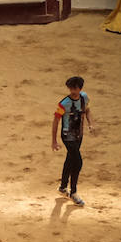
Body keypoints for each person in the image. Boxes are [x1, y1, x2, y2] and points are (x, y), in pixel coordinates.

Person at [51, 76, 93, 206]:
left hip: (78, 135)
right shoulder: (64, 104)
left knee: (70, 160)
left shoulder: (84, 98)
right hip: (67, 136)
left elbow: (87, 111)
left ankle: (63, 187)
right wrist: (54, 141)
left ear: (80, 88)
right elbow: (56, 121)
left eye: (75, 89)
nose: (72, 91)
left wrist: (90, 124)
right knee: (78, 162)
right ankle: (73, 192)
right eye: (71, 89)